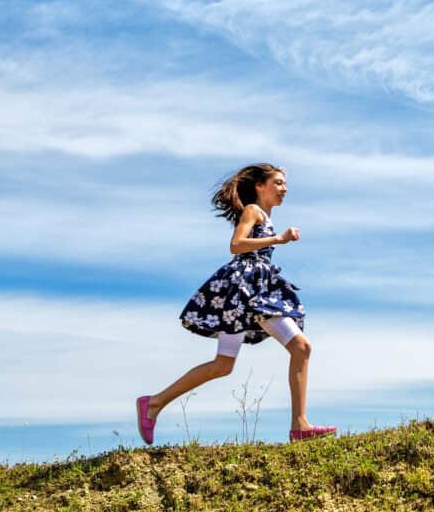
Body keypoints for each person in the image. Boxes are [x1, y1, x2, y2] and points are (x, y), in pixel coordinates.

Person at [136, 163, 336, 443]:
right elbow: (236, 244)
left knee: (223, 365)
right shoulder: (253, 211)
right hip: (247, 291)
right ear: (260, 186)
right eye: (278, 183)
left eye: (285, 184)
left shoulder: (265, 216)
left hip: (252, 291)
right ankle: (299, 425)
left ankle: (154, 403)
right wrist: (279, 239)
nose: (284, 189)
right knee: (301, 347)